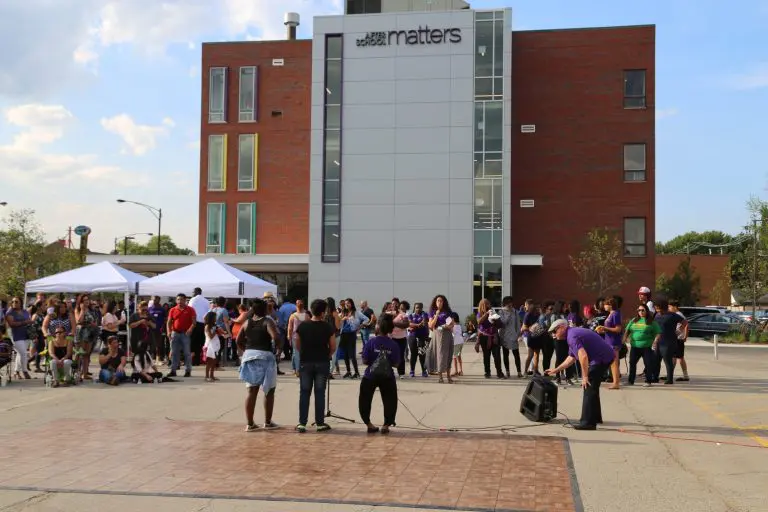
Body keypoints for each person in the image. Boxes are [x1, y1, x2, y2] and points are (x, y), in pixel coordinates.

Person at [545, 320, 616, 430]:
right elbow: (571, 358)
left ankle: (588, 422)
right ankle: (596, 418)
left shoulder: (572, 336)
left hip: (601, 358)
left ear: (562, 327)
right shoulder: (571, 334)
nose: (553, 335)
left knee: (588, 387)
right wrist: (556, 370)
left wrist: (585, 376)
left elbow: (583, 356)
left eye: (554, 331)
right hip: (605, 356)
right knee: (593, 388)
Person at [237, 298, 280, 431]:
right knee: (269, 390)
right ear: (265, 309)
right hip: (265, 356)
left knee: (252, 390)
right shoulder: (267, 321)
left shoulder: (246, 322)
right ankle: (267, 422)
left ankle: (250, 424)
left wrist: (246, 351)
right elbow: (275, 337)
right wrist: (278, 350)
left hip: (249, 355)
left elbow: (238, 340)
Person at [295, 299, 336, 433]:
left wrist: (304, 352)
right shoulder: (327, 327)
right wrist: (327, 355)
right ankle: (320, 422)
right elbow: (333, 346)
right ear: (323, 312)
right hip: (322, 362)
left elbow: (297, 344)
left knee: (304, 392)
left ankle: (302, 423)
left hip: (306, 361)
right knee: (320, 392)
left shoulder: (303, 326)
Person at [359, 314, 401, 434]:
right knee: (390, 400)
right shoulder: (394, 345)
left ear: (378, 327)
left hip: (370, 376)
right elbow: (396, 364)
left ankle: (368, 424)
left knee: (365, 399)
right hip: (387, 377)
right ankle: (386, 425)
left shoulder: (371, 342)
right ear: (391, 328)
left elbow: (365, 360)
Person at [623, 303, 659, 386]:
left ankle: (648, 381)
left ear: (646, 311)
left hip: (646, 347)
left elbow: (658, 332)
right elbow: (627, 330)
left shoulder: (651, 321)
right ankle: (630, 381)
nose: (641, 312)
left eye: (643, 310)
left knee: (648, 363)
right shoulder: (634, 320)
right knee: (632, 363)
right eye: (639, 310)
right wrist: (624, 339)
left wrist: (655, 341)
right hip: (635, 346)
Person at [652, 298, 682, 385]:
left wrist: (679, 330)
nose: (657, 309)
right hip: (658, 341)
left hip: (669, 341)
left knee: (667, 360)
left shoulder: (672, 315)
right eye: (656, 308)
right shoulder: (656, 315)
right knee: (656, 360)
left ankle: (669, 379)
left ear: (663, 307)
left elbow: (684, 322)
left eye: (658, 308)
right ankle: (655, 377)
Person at [166, 293, 196, 378]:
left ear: (185, 300)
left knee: (187, 353)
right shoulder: (172, 310)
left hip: (185, 334)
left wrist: (190, 329)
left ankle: (188, 371)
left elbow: (194, 322)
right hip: (175, 333)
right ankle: (173, 370)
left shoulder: (190, 309)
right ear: (176, 300)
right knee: (174, 353)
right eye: (178, 299)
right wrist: (168, 331)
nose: (180, 301)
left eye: (181, 299)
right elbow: (169, 322)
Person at [597, 297, 623, 390]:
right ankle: (614, 382)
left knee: (614, 363)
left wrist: (605, 328)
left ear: (610, 305)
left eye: (605, 304)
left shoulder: (615, 314)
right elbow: (610, 329)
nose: (604, 306)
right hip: (608, 340)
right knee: (612, 362)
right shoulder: (610, 314)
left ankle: (616, 383)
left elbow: (618, 329)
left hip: (614, 342)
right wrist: (603, 331)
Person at [339, 298, 368, 379]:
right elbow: (339, 322)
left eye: (348, 303)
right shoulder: (343, 312)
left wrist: (359, 327)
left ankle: (356, 372)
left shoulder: (357, 313)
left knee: (352, 355)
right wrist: (342, 318)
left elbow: (367, 319)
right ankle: (348, 371)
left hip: (351, 334)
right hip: (343, 334)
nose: (346, 304)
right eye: (345, 303)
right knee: (345, 354)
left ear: (351, 304)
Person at [427, 294, 454, 384]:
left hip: (447, 334)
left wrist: (446, 326)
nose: (439, 302)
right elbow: (431, 325)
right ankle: (440, 377)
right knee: (440, 355)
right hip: (437, 335)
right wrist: (436, 315)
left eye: (441, 301)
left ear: (444, 302)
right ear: (435, 302)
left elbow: (452, 324)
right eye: (438, 300)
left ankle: (449, 376)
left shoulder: (448, 312)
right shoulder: (432, 312)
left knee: (448, 354)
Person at [5, 297, 33, 380]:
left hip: (26, 335)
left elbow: (29, 320)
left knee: (20, 354)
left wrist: (30, 322)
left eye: (16, 301)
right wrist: (25, 322)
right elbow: (12, 324)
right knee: (23, 353)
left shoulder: (25, 311)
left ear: (20, 303)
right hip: (15, 336)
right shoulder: (10, 313)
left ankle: (16, 372)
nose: (14, 303)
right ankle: (25, 371)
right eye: (12, 301)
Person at [476, 298, 503, 379]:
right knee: (486, 356)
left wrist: (496, 319)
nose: (488, 305)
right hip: (484, 337)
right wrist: (486, 314)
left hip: (494, 336)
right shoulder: (479, 314)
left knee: (497, 356)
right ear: (482, 306)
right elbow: (479, 322)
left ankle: (499, 372)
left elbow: (500, 325)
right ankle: (487, 372)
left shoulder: (493, 312)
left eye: (488, 304)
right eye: (486, 304)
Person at [497, 296, 522, 378]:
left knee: (516, 354)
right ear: (505, 303)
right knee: (505, 354)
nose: (511, 304)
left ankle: (519, 372)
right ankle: (507, 371)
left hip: (513, 335)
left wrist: (518, 334)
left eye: (511, 302)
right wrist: (508, 314)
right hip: (504, 336)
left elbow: (518, 324)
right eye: (509, 302)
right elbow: (503, 323)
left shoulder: (515, 312)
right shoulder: (501, 312)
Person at [188, 287, 211, 366]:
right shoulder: (206, 301)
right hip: (203, 324)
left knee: (192, 342)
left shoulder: (193, 299)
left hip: (194, 323)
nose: (192, 293)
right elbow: (208, 312)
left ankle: (192, 360)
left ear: (197, 292)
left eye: (193, 292)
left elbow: (189, 310)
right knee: (200, 342)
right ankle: (197, 360)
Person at [669, 300, 690, 382]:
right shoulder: (676, 314)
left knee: (679, 357)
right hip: (677, 339)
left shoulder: (678, 315)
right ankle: (670, 374)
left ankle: (685, 376)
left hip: (678, 339)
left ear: (675, 307)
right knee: (674, 357)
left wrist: (680, 334)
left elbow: (686, 325)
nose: (669, 308)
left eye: (670, 307)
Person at [287, 299, 309, 377]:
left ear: (296, 306)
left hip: (295, 337)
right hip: (304, 337)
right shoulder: (307, 316)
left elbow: (290, 328)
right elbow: (309, 327)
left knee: (296, 354)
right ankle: (301, 369)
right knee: (303, 353)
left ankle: (297, 370)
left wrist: (289, 336)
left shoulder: (293, 316)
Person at [407, 302, 429, 378]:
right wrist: (418, 325)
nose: (418, 309)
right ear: (414, 308)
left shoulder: (424, 314)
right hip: (412, 337)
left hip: (422, 337)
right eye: (416, 307)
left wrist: (415, 326)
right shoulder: (411, 315)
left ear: (422, 308)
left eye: (420, 307)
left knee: (422, 354)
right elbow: (409, 324)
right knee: (413, 355)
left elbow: (424, 323)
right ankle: (412, 371)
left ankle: (424, 371)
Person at [391, 301, 411, 379]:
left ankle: (401, 373)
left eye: (396, 304)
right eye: (393, 305)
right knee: (391, 355)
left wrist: (394, 323)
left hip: (401, 339)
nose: (394, 306)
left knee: (401, 356)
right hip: (392, 338)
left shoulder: (404, 315)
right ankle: (390, 371)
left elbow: (405, 325)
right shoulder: (391, 314)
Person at [203, 311, 223, 382]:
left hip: (214, 345)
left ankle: (212, 375)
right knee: (209, 362)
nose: (216, 318)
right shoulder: (207, 326)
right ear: (211, 318)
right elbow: (210, 336)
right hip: (209, 346)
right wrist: (216, 331)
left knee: (214, 361)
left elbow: (218, 334)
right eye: (215, 317)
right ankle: (206, 376)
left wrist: (220, 332)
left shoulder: (214, 325)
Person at [148, 296, 166, 364]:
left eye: (156, 299)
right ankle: (151, 358)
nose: (155, 301)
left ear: (159, 300)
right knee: (151, 343)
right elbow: (148, 317)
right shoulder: (150, 308)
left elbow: (165, 319)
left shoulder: (162, 309)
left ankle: (158, 358)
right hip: (151, 329)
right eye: (154, 299)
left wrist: (163, 326)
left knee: (159, 343)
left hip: (159, 329)